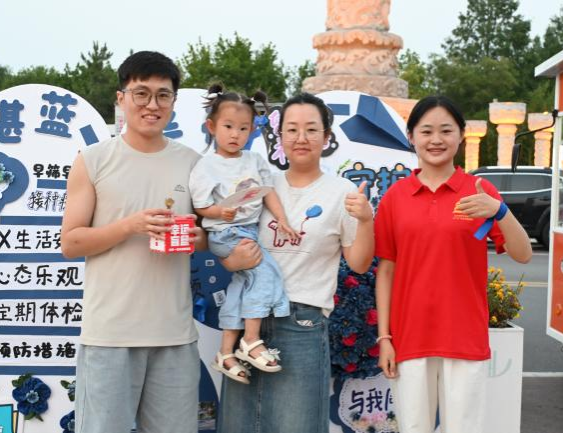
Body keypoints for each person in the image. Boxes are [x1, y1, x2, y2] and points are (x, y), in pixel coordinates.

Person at [61, 51, 206, 433]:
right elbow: (71, 242)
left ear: (173, 101)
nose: (152, 105)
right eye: (141, 93)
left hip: (174, 336)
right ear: (121, 98)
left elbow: (211, 234)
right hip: (109, 336)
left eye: (163, 95)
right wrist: (129, 226)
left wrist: (199, 238)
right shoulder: (93, 160)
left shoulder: (193, 163)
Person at [216, 92, 374, 433]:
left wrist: (365, 220)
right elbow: (227, 238)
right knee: (240, 425)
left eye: (311, 129)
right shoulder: (260, 185)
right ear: (279, 136)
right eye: (292, 129)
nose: (301, 138)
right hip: (248, 324)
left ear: (326, 137)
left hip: (302, 324)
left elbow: (360, 264)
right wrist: (231, 261)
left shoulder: (341, 192)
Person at [374, 95, 532, 433]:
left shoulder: (479, 191)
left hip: (464, 336)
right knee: (413, 427)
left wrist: (500, 211)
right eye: (426, 131)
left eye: (446, 130)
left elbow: (522, 254)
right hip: (409, 337)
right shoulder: (395, 198)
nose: (436, 140)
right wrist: (384, 336)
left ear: (461, 135)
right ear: (411, 137)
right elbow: (386, 271)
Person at [189, 84, 299, 384]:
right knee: (265, 274)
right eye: (228, 126)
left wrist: (282, 219)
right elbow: (200, 206)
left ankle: (225, 352)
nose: (235, 134)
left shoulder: (254, 161)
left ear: (252, 130)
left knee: (241, 285)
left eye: (243, 128)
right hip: (226, 233)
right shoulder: (206, 165)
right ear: (211, 127)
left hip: (249, 230)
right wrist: (218, 212)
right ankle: (250, 340)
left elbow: (268, 192)